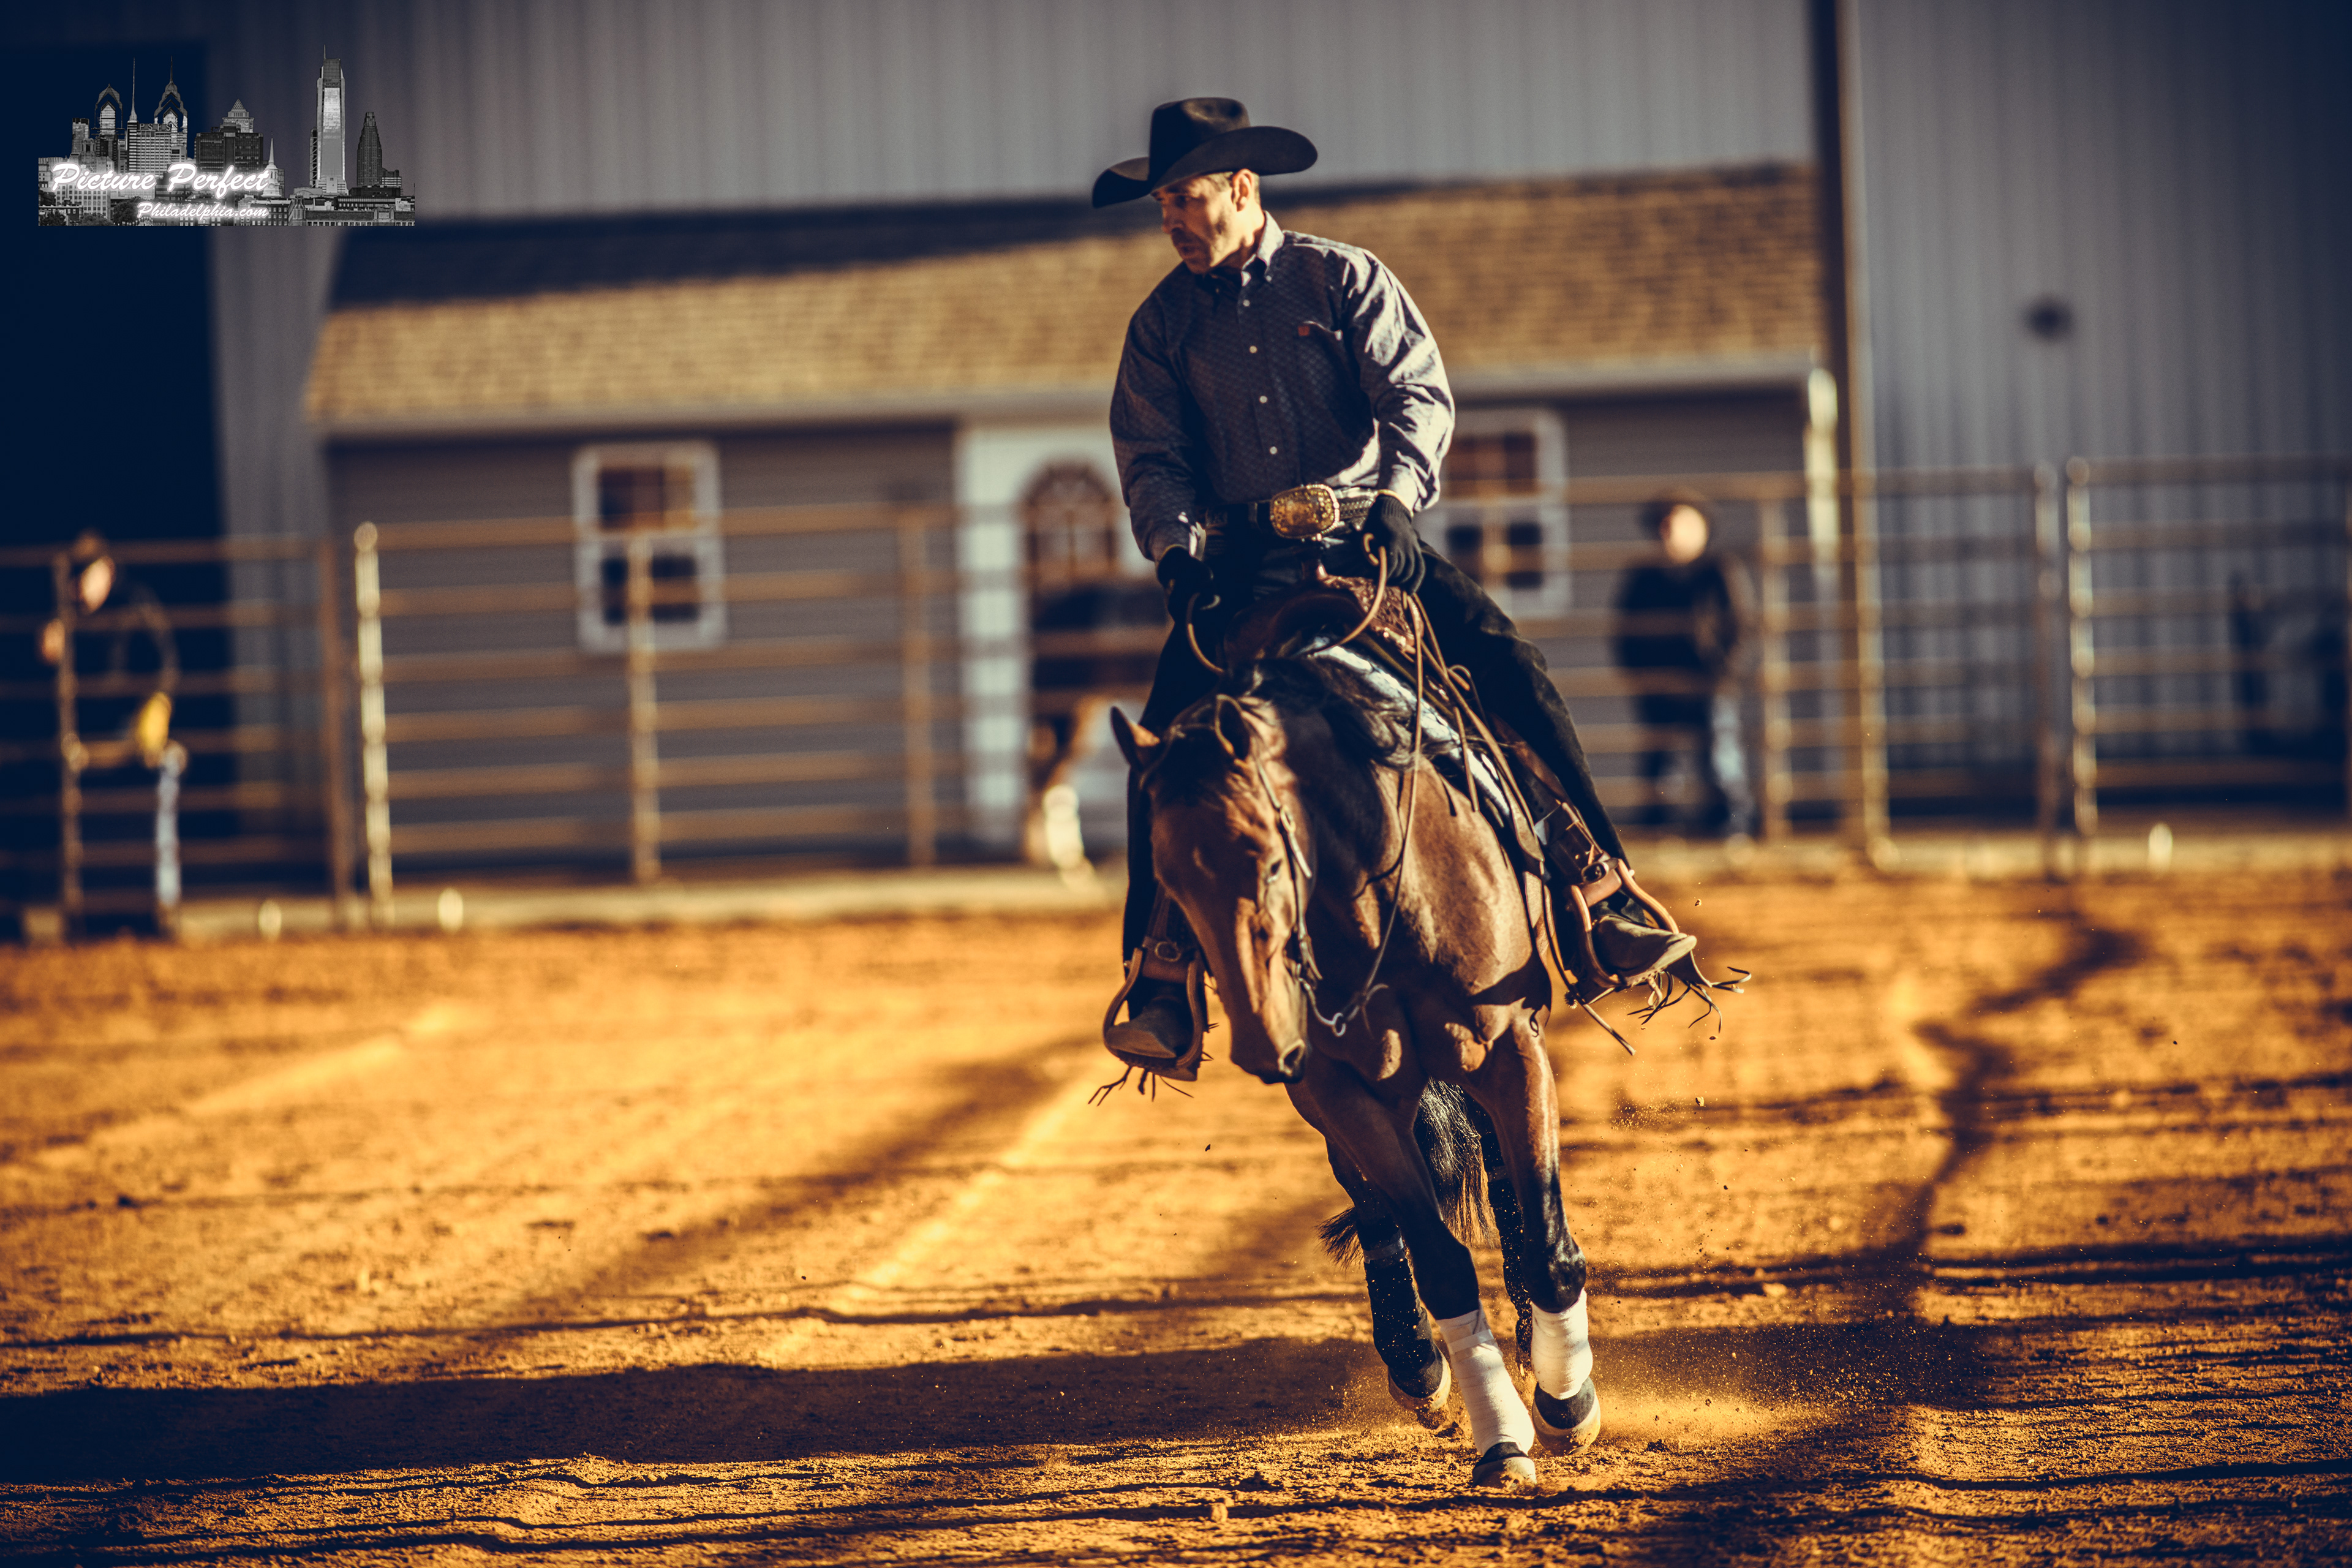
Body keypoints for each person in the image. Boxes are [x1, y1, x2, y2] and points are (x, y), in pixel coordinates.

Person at [1091, 99, 1694, 1069]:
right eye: (1162, 202)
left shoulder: (1341, 279)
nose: (1170, 219)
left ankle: (1598, 888)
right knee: (1165, 754)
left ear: (1241, 188)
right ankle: (1162, 971)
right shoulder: (1161, 325)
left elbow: (1414, 394)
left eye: (1185, 197)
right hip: (1238, 570)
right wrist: (1179, 557)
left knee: (1511, 670)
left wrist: (1399, 504)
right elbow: (1152, 457)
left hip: (1364, 548)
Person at [1612, 495, 1756, 840]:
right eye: (1664, 526)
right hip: (1659, 684)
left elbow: (1740, 625)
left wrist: (1723, 673)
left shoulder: (1719, 569)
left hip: (1707, 682)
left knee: (1720, 757)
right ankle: (1660, 826)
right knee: (1661, 760)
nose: (1670, 533)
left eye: (1679, 524)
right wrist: (1642, 678)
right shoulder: (1643, 576)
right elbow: (1625, 630)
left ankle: (1729, 827)